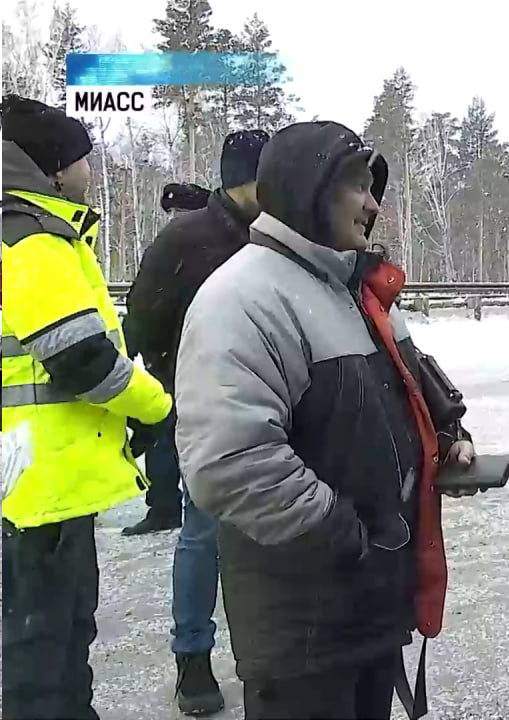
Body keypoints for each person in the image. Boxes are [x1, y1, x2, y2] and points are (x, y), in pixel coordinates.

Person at [174, 121, 476, 720]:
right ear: (307, 188)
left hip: (369, 610)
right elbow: (230, 463)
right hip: (304, 630)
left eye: (374, 189)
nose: (373, 205)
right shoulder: (243, 298)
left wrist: (444, 438)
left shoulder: (351, 289)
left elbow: (404, 392)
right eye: (357, 187)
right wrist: (347, 538)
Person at [0, 94, 173, 718]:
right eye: (82, 160)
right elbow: (81, 359)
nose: (89, 172)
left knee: (55, 639)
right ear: (53, 169)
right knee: (43, 649)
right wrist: (155, 407)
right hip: (40, 478)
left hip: (34, 476)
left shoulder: (31, 233)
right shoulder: (33, 239)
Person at [122, 129, 271, 715]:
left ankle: (265, 656)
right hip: (203, 413)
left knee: (266, 535)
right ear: (247, 179)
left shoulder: (275, 237)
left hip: (276, 410)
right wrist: (172, 391)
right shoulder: (186, 238)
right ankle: (193, 659)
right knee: (204, 533)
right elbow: (141, 321)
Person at [121, 180, 213, 537]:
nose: (174, 219)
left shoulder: (208, 250)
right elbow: (141, 304)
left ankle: (190, 508)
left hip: (197, 360)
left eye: (182, 212)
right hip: (165, 362)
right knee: (162, 435)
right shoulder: (164, 250)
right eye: (171, 212)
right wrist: (128, 350)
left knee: (191, 439)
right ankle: (163, 506)